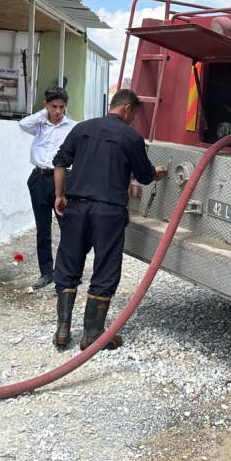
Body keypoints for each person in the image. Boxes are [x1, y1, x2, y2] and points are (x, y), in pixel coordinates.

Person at [51, 89, 167, 350]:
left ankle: (62, 329)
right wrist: (158, 173)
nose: (133, 119)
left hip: (76, 207)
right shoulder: (131, 137)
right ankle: (92, 334)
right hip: (108, 213)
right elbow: (145, 176)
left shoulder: (82, 128)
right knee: (105, 267)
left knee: (68, 263)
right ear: (127, 109)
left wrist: (60, 196)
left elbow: (60, 163)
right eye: (134, 114)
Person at [19, 87, 75, 291]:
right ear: (47, 106)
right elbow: (23, 124)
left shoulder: (72, 127)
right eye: (53, 107)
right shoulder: (40, 124)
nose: (58, 111)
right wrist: (45, 114)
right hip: (40, 177)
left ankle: (65, 273)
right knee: (43, 228)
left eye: (61, 107)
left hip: (63, 178)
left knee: (67, 227)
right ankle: (46, 272)